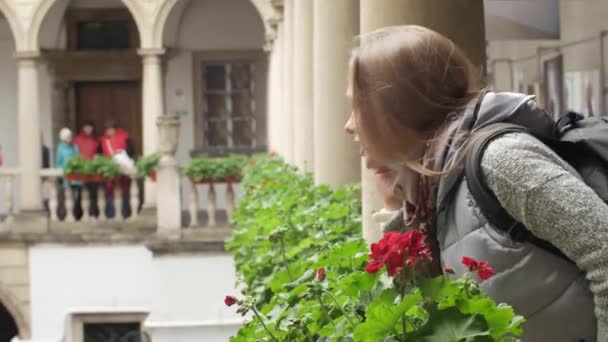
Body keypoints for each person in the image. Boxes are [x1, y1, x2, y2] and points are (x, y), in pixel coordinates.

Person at [344, 26, 607, 342]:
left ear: (399, 108)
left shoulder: (501, 159)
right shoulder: (431, 189)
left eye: (359, 107)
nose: (349, 125)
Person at [99, 120, 135, 218]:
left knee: (124, 191)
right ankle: (111, 214)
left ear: (115, 129)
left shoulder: (125, 137)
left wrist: (122, 152)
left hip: (123, 169)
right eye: (107, 130)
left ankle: (125, 213)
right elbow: (100, 155)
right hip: (110, 170)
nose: (109, 132)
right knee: (109, 192)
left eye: (111, 129)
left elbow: (131, 151)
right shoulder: (103, 140)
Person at [54, 128, 82, 219]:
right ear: (63, 138)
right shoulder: (60, 148)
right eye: (67, 136)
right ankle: (65, 216)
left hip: (76, 178)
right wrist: (61, 173)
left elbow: (79, 159)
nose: (69, 138)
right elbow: (58, 163)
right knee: (66, 198)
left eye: (70, 136)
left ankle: (76, 216)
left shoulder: (75, 147)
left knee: (76, 198)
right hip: (66, 178)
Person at [74, 121, 100, 217]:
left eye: (90, 128)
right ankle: (78, 215)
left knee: (93, 194)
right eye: (86, 127)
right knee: (79, 194)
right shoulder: (77, 140)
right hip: (80, 170)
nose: (88, 130)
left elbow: (97, 154)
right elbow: (74, 154)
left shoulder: (95, 141)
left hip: (92, 171)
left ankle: (93, 214)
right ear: (83, 128)